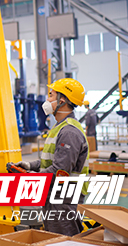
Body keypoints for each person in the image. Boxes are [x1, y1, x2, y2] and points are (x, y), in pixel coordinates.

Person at [13, 78, 89, 236]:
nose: (47, 99)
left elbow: (60, 170)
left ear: (62, 100)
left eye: (51, 95)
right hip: (56, 194)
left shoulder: (69, 132)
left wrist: (32, 177)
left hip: (64, 198)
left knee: (62, 240)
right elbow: (52, 160)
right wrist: (30, 166)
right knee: (53, 237)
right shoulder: (59, 127)